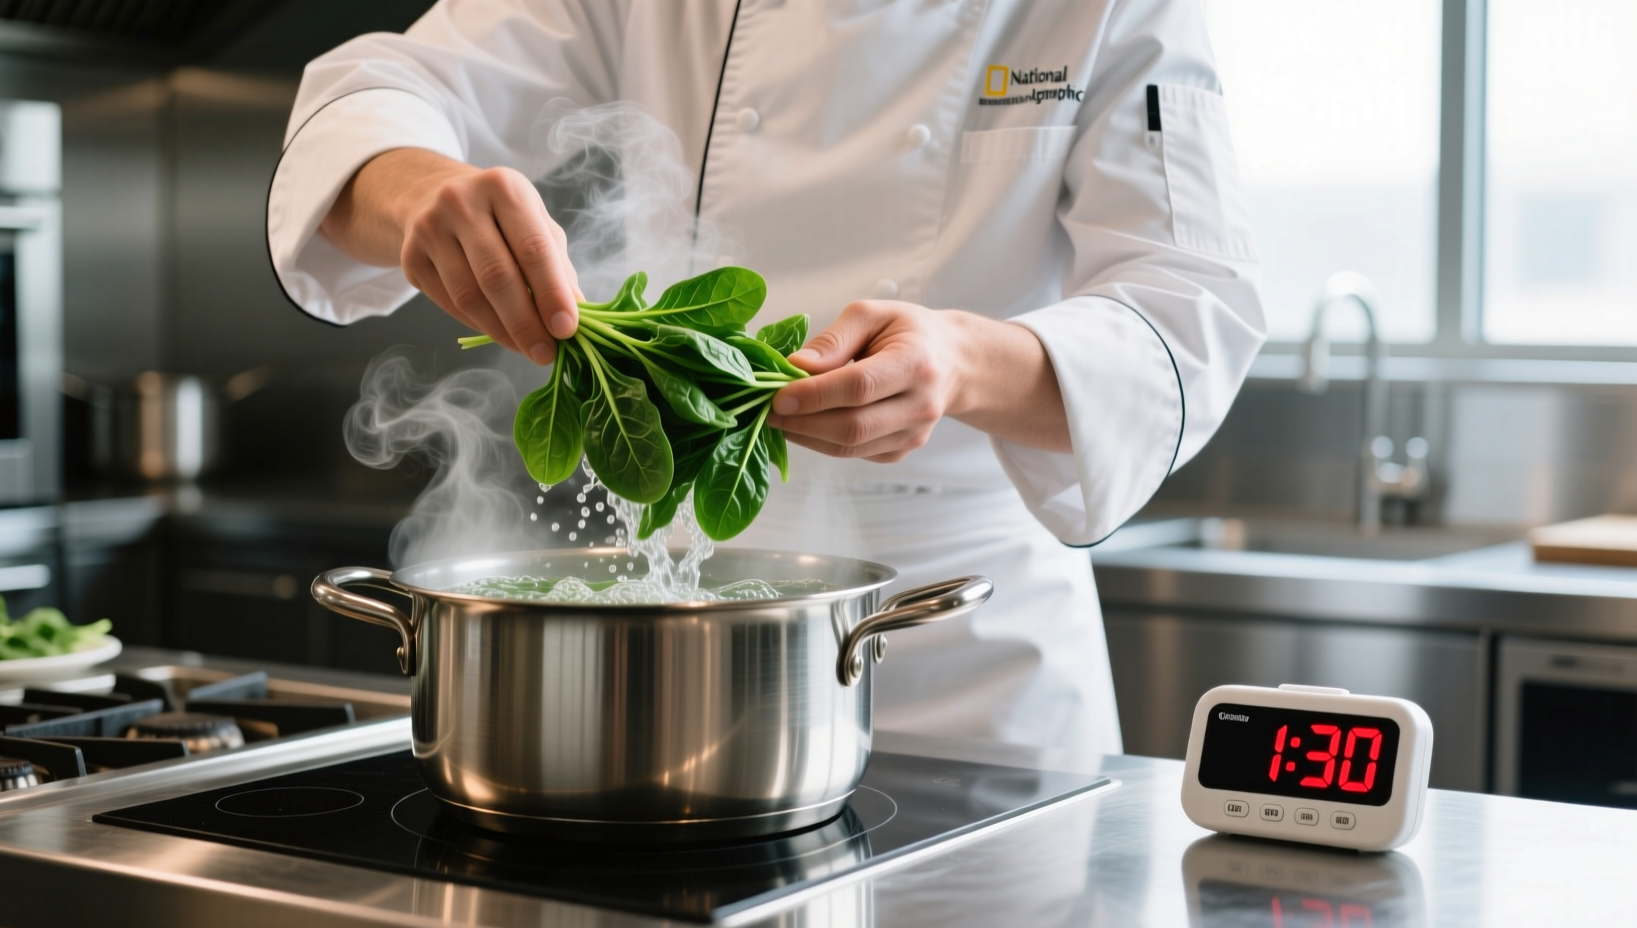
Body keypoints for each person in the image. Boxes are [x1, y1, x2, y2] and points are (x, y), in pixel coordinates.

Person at [267, 0, 1265, 762]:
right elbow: (376, 92)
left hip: (975, 656)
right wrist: (422, 196)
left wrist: (960, 363)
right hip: (690, 640)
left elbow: (1190, 306)